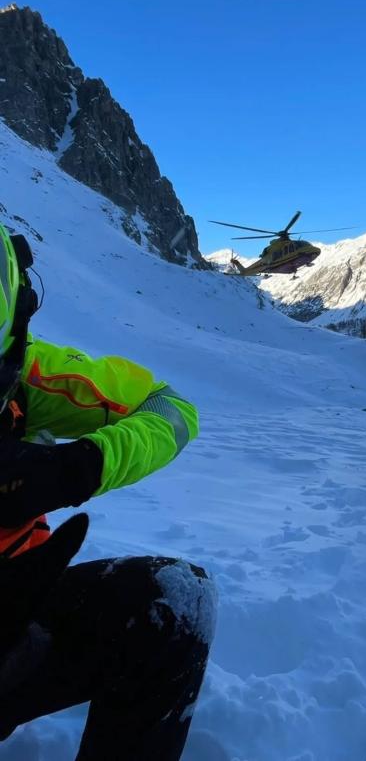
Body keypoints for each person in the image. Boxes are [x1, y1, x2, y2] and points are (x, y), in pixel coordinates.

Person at [0, 225, 216, 760]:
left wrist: (82, 465)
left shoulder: (29, 375)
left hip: (16, 621)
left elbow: (169, 408)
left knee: (176, 599)